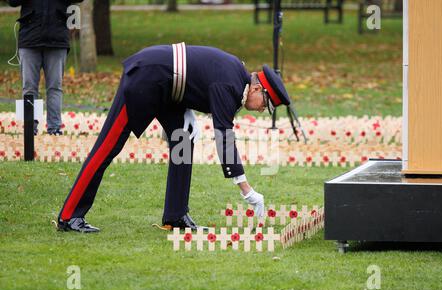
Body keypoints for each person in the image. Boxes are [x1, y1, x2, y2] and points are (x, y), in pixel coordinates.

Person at [57, 43, 290, 233]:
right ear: (258, 89)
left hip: (168, 88)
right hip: (147, 78)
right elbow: (224, 137)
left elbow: (193, 77)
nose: (261, 110)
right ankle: (69, 216)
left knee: (183, 141)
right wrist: (247, 191)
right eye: (266, 105)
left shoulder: (237, 77)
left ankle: (176, 215)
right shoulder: (230, 84)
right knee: (107, 147)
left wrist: (188, 114)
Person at [8, 0, 84, 135]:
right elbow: (13, 2)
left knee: (55, 86)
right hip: (29, 39)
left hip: (57, 40)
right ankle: (30, 129)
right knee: (29, 86)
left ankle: (54, 128)